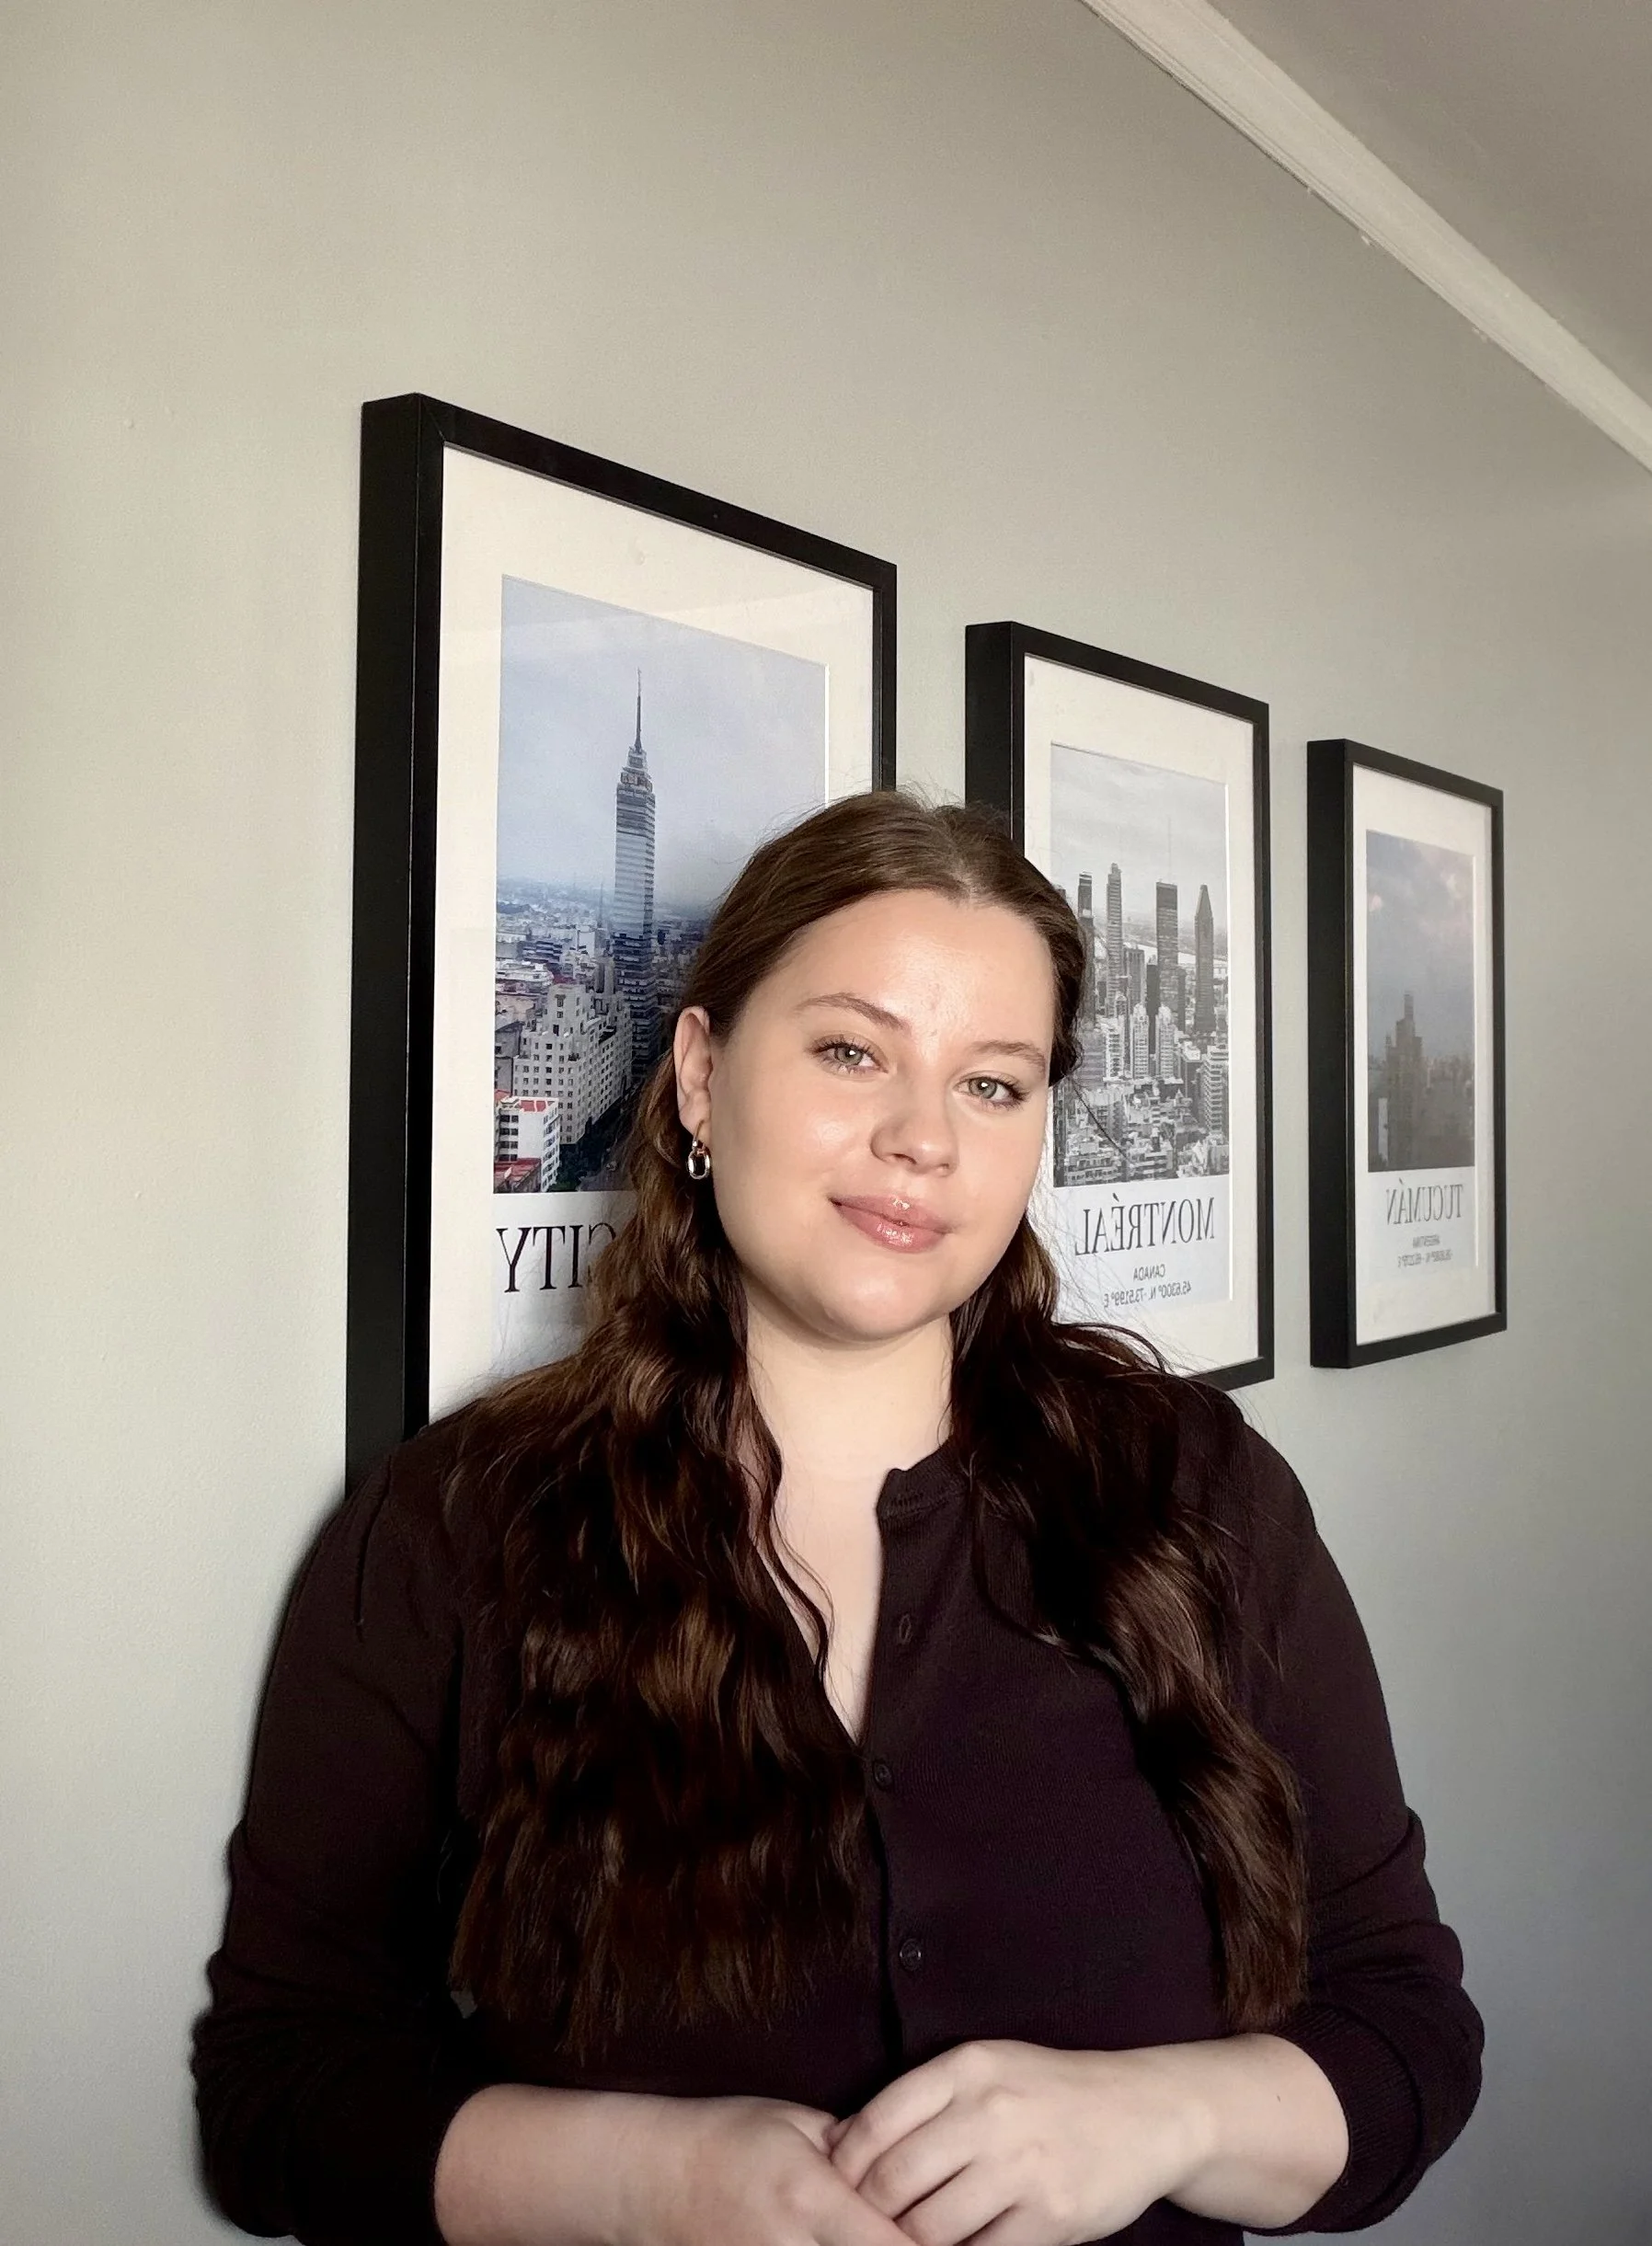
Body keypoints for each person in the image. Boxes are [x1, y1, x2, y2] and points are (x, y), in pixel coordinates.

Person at [192, 788, 1482, 2246]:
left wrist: (1160, 2116)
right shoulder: (453, 1529)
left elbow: (1406, 2028)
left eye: (991, 1084)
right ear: (700, 1074)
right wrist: (652, 2181)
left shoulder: (1197, 1492)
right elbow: (277, 2092)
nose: (922, 1137)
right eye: (853, 1051)